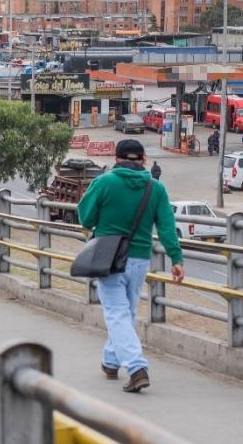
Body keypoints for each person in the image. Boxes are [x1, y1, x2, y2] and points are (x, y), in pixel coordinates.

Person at [77, 139, 184, 393]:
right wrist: (176, 259)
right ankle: (110, 361)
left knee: (116, 313)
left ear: (116, 159)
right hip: (139, 259)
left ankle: (136, 368)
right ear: (144, 159)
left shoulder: (104, 182)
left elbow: (86, 217)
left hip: (109, 256)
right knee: (128, 312)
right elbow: (167, 226)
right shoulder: (155, 188)